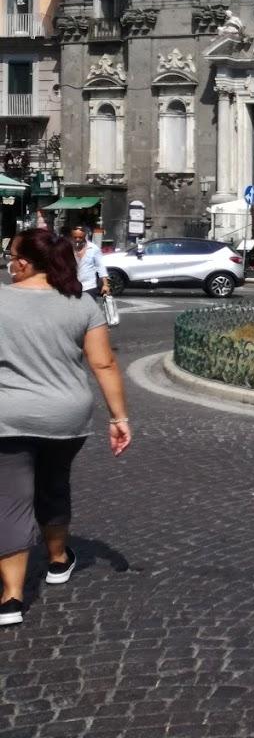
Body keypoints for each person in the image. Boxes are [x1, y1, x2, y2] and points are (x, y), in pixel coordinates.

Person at [0, 229, 130, 627]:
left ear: (24, 263)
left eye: (11, 255)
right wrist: (119, 418)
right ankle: (58, 560)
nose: (8, 262)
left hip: (8, 414)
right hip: (66, 414)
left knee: (11, 501)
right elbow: (103, 363)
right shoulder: (80, 303)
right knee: (54, 484)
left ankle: (11, 597)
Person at [70, 227, 110, 303]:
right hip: (72, 286)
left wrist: (105, 285)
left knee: (88, 308)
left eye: (80, 237)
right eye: (75, 237)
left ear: (85, 236)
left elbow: (100, 267)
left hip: (89, 286)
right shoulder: (68, 248)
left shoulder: (93, 249)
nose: (77, 239)